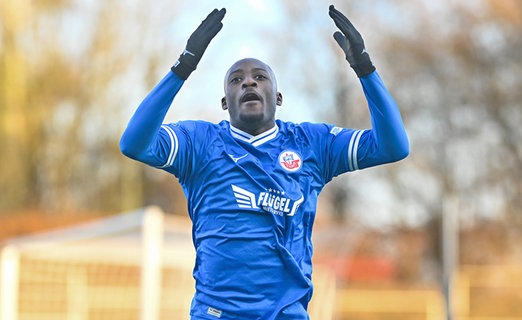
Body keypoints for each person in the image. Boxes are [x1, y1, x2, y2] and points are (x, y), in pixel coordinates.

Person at [120, 5, 409, 320]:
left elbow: (392, 146)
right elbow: (134, 143)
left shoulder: (312, 144)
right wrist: (184, 65)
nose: (248, 83)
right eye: (236, 80)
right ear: (224, 102)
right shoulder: (200, 144)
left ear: (279, 97)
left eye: (259, 77)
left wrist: (364, 67)